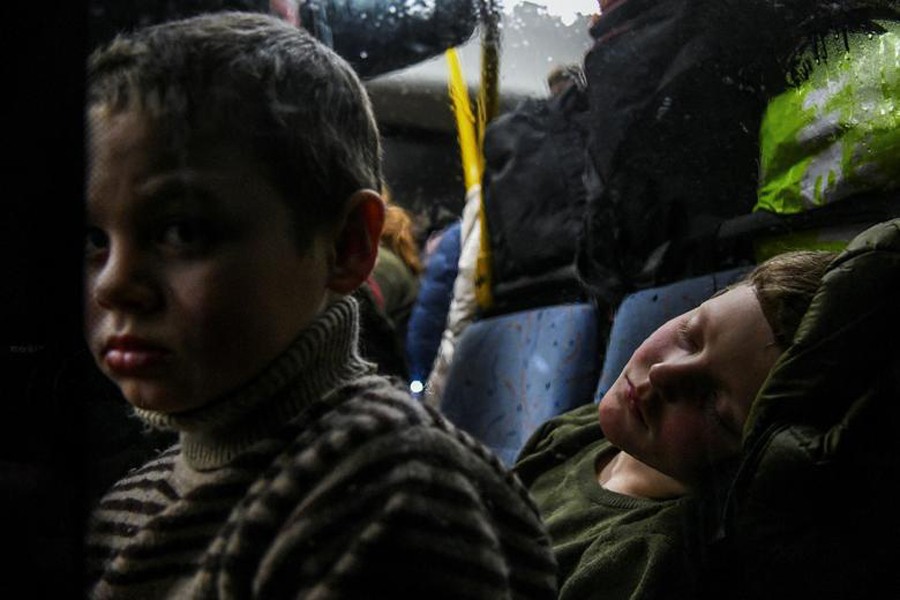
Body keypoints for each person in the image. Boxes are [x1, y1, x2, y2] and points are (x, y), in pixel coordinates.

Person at [82, 12, 556, 598]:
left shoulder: (393, 490)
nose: (112, 284)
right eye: (93, 240)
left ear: (347, 246)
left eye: (182, 231)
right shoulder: (129, 502)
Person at [513, 249, 834, 599]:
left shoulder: (641, 564)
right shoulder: (582, 429)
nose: (662, 374)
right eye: (690, 336)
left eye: (714, 406)